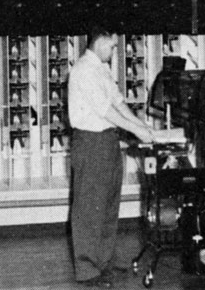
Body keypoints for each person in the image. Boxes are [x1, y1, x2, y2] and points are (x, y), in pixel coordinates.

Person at [68, 26, 165, 288]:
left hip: (108, 141)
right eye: (111, 46)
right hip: (90, 142)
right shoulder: (84, 70)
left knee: (108, 204)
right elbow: (105, 110)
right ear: (99, 42)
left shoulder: (101, 68)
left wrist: (142, 126)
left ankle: (103, 263)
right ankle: (88, 270)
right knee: (89, 207)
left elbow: (119, 103)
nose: (114, 51)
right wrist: (135, 130)